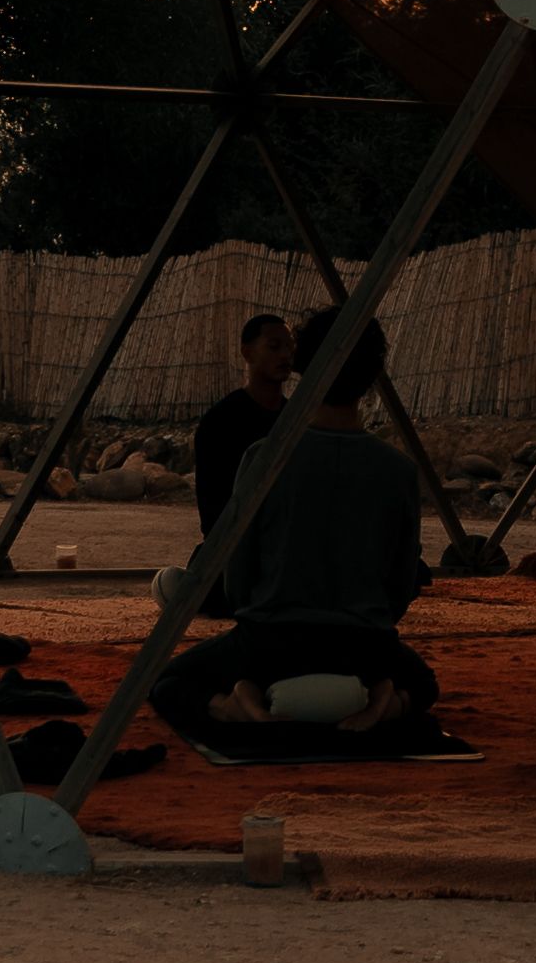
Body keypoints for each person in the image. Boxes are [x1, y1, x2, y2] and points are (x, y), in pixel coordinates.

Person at [181, 326, 441, 747]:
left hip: (271, 643)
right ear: (374, 378)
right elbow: (400, 578)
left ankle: (238, 704)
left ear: (303, 368)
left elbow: (239, 575)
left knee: (170, 681)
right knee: (424, 684)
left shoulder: (264, 457)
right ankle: (383, 702)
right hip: (362, 647)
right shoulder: (397, 470)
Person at [192, 314, 295, 546]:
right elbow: (212, 510)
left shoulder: (294, 418)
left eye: (290, 347)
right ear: (247, 353)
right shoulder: (220, 422)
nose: (285, 355)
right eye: (274, 346)